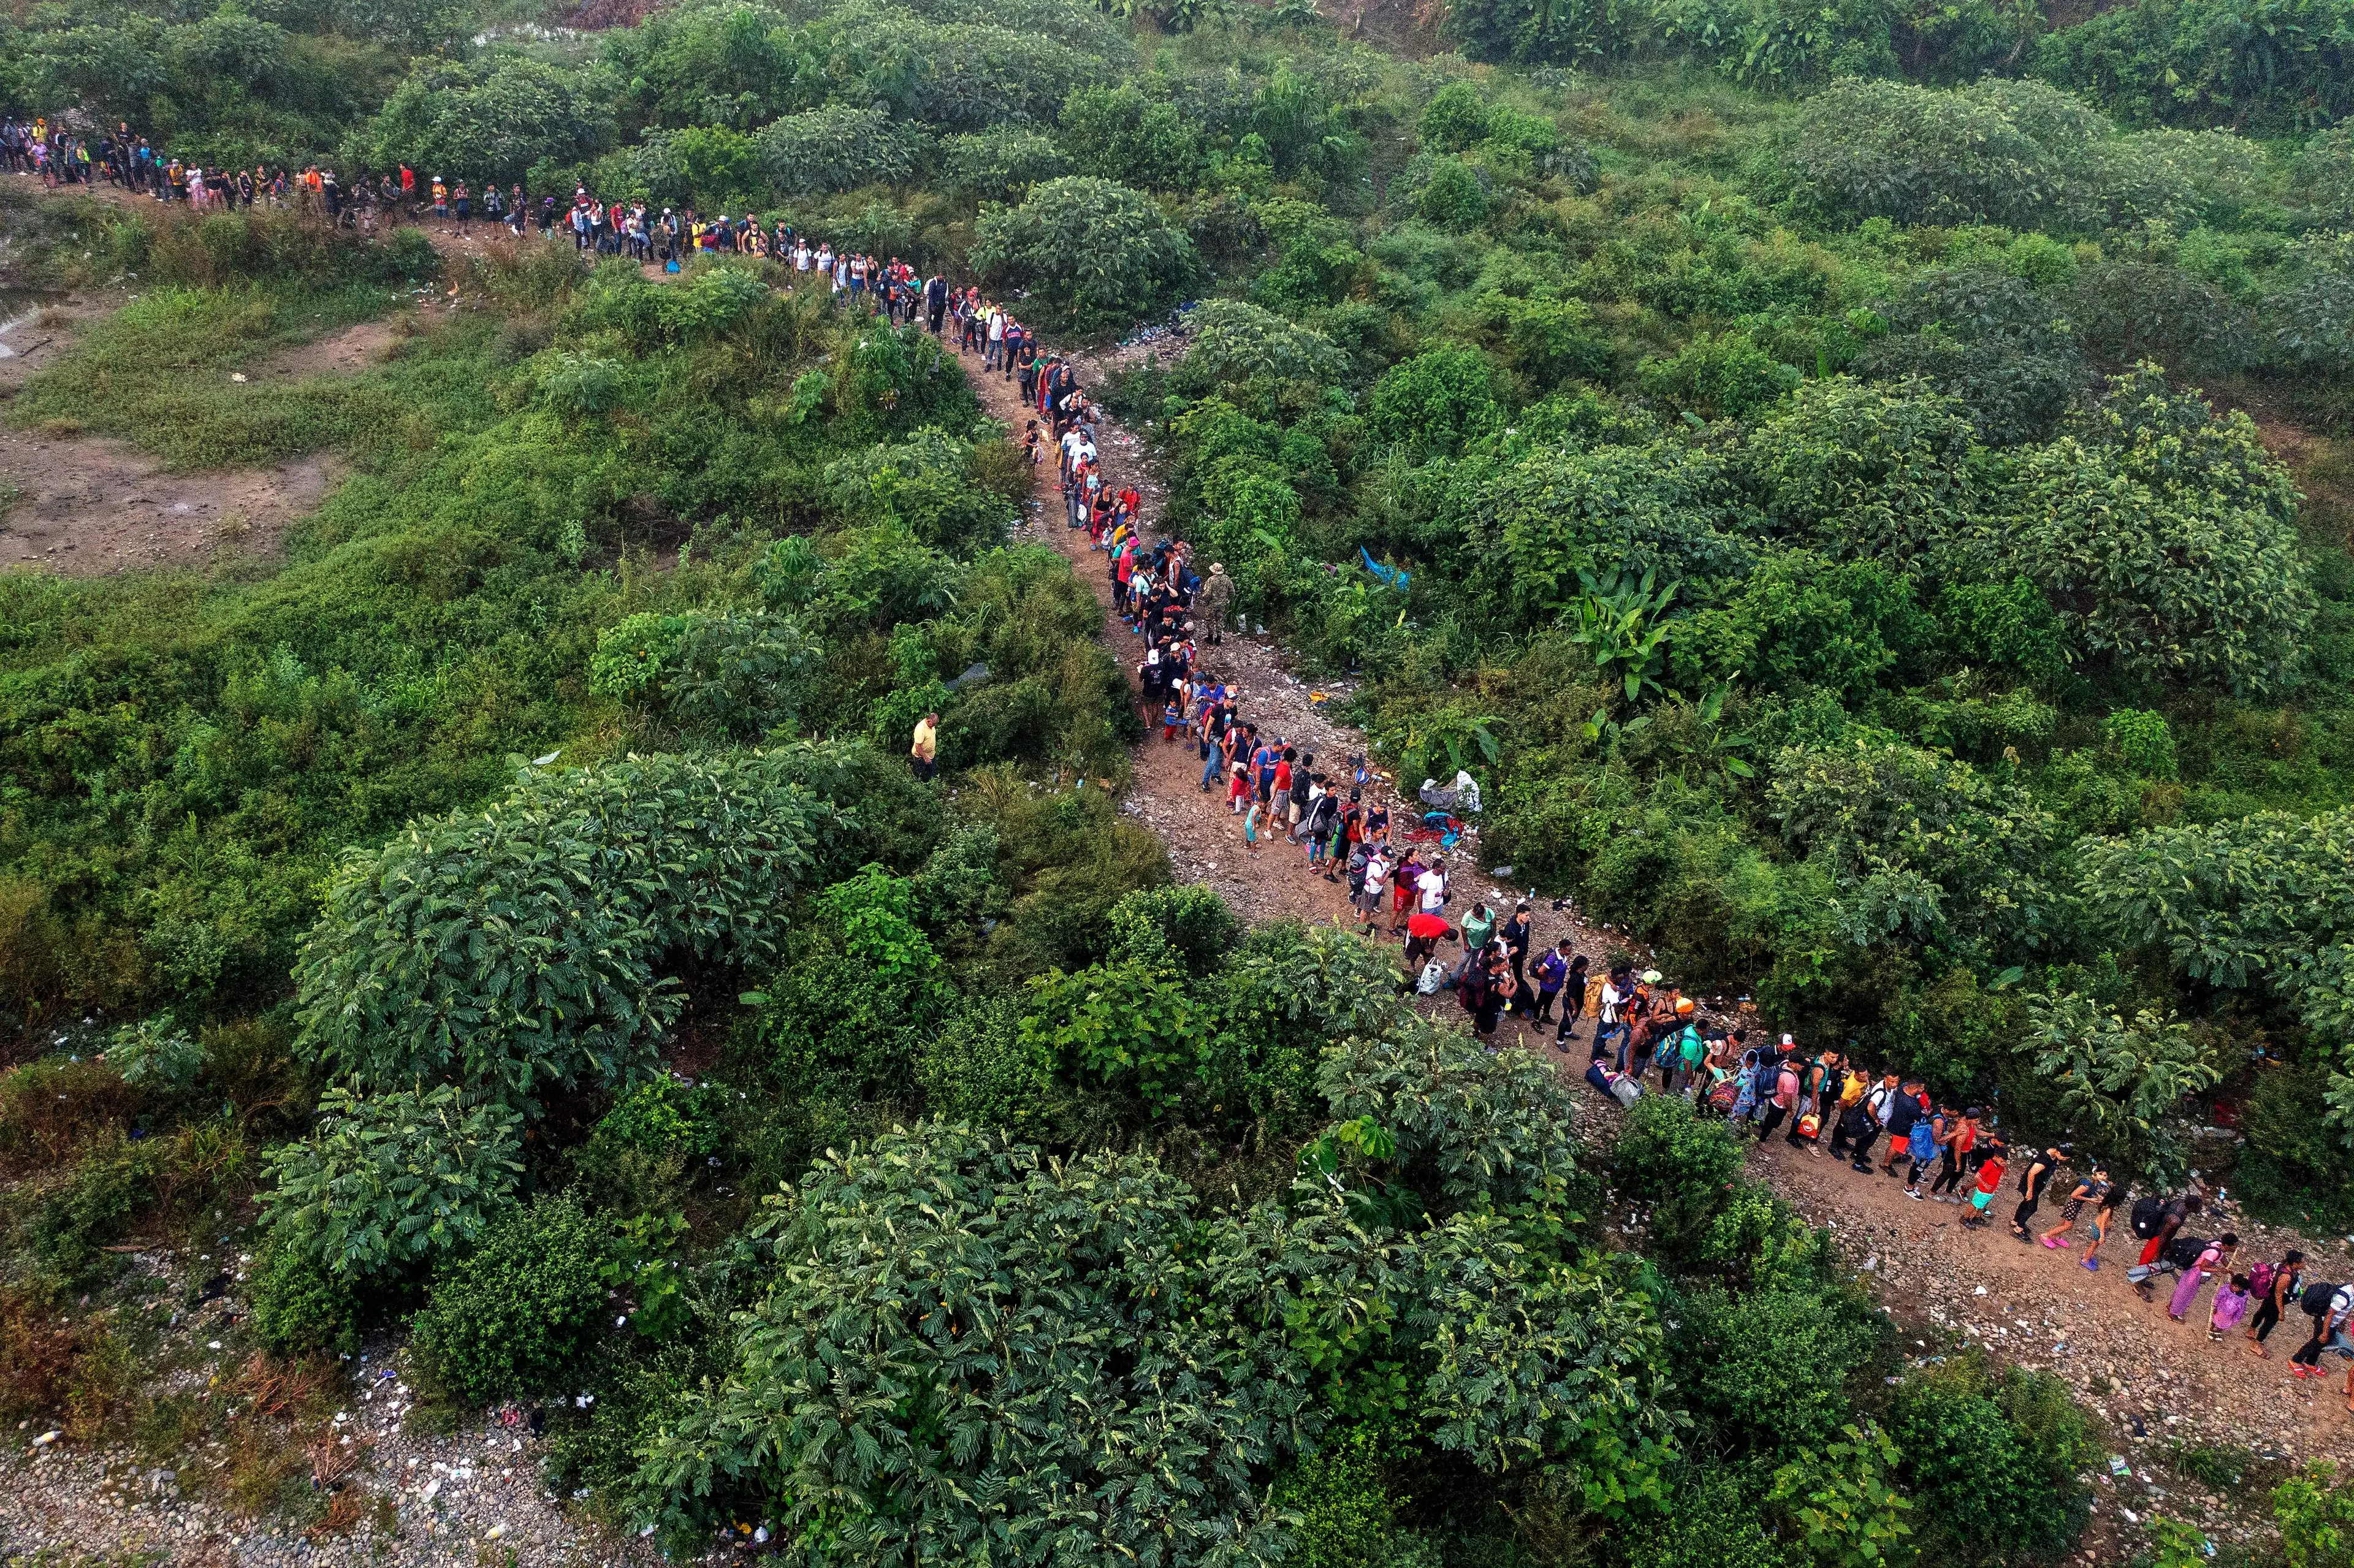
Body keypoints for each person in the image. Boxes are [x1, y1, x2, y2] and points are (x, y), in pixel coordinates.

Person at [2247, 1251, 2304, 1357]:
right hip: (2275, 1301)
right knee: (2269, 1323)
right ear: (2295, 1263)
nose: (2304, 1264)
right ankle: (2256, 1345)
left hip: (2269, 1296)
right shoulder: (2286, 1277)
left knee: (2261, 1313)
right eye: (2302, 1262)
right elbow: (2279, 1295)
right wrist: (2281, 1312)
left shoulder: (2281, 1265)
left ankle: (2251, 1330)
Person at [2040, 1165, 2110, 1249]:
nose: (2103, 1177)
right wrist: (2090, 1200)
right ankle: (2046, 1235)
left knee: (2064, 1221)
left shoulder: (2095, 1182)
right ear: (2096, 1172)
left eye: (2105, 1175)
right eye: (2101, 1174)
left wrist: (2097, 1196)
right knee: (2068, 1225)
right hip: (2073, 1204)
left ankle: (2055, 1236)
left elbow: (2090, 1191)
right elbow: (2074, 1195)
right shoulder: (2087, 1184)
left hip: (2076, 1204)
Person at [2012, 1145, 2069, 1243]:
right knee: (2032, 1208)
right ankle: (2018, 1229)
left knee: (2027, 1203)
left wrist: (2056, 1179)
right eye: (2064, 1157)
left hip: (2037, 1185)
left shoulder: (2053, 1156)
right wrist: (2029, 1190)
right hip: (2030, 1185)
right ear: (2058, 1152)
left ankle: (2016, 1221)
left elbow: (2052, 1168)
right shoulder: (2044, 1159)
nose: (2064, 1160)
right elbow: (2031, 1173)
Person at [1962, 1141, 2007, 1227]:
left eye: (2004, 1161)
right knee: (1975, 1205)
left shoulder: (2000, 1165)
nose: (2003, 1162)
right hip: (1983, 1190)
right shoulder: (1989, 1165)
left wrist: (2005, 1165)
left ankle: (1977, 1217)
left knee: (1982, 1204)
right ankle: (1965, 1218)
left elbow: (2006, 1173)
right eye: (2002, 1160)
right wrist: (1984, 1184)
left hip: (1990, 1191)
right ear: (1996, 1157)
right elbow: (1977, 1176)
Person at [2210, 1274, 2254, 1341]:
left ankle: (2218, 1332)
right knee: (2214, 1320)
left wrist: (2237, 1318)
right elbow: (2218, 1297)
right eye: (2234, 1285)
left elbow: (2241, 1308)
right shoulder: (2226, 1289)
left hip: (2229, 1315)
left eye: (2238, 1287)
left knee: (2224, 1324)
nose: (2235, 1288)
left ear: (2242, 1289)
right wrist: (2215, 1307)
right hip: (2219, 1311)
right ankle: (2210, 1329)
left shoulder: (2243, 1297)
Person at [910, 712, 939, 782]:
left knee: (932, 775)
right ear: (929, 721)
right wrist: (925, 758)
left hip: (931, 755)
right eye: (934, 724)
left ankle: (931, 788)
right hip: (921, 757)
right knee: (920, 776)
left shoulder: (932, 725)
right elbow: (918, 746)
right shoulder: (921, 729)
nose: (936, 725)